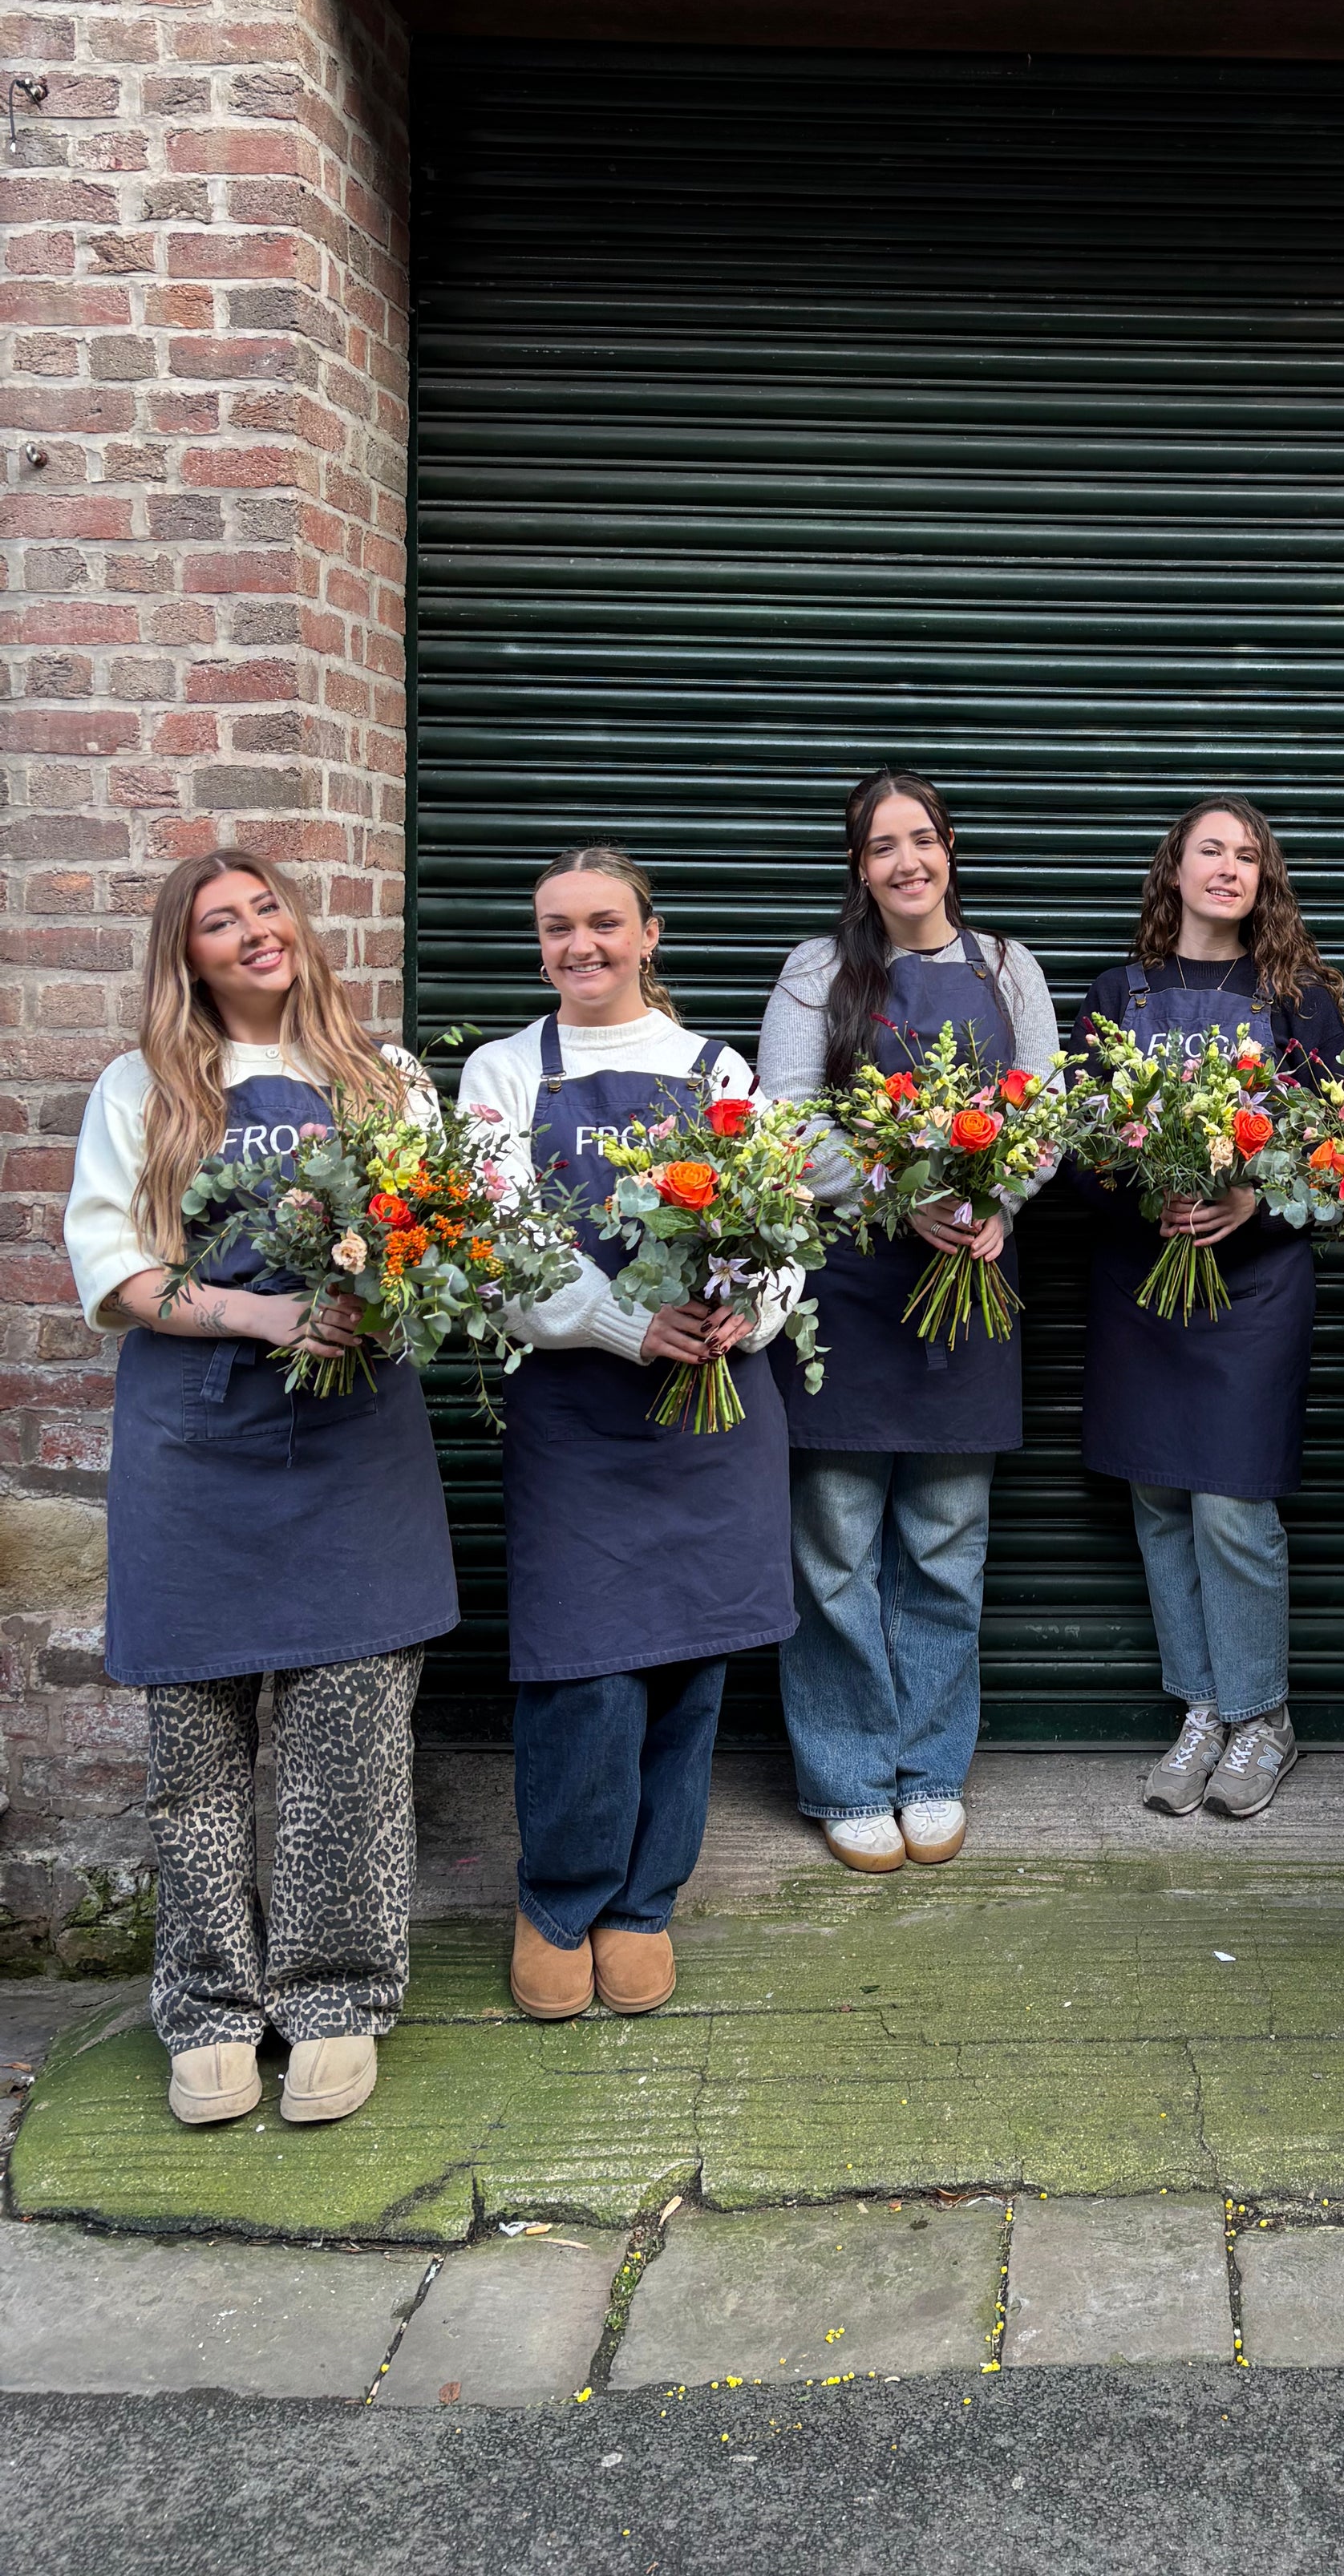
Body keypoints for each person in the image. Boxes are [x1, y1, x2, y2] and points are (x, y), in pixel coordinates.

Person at [63, 850, 459, 2129]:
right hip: (195, 1449)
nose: (251, 933)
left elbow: (448, 1230)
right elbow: (115, 1272)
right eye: (218, 923)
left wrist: (390, 1290)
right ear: (187, 957)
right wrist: (260, 1312)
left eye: (263, 908)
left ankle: (337, 1998)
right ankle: (211, 2009)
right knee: (197, 1750)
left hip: (356, 1445)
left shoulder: (385, 1078)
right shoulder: (145, 1088)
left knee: (350, 1742)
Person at [460, 847, 799, 2024]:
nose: (580, 948)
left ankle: (645, 1903)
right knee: (582, 1673)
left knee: (691, 1666)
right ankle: (558, 1901)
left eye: (604, 924)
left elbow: (777, 1232)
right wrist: (620, 1322)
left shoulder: (717, 1067)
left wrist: (744, 1311)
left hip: (711, 1411)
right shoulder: (505, 1073)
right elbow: (497, 1251)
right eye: (558, 928)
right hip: (578, 1413)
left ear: (651, 934)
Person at [756, 769, 1061, 1872]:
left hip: (969, 1286)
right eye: (882, 846)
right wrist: (905, 1193)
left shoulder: (1005, 967)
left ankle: (930, 1770)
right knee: (833, 1548)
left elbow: (1048, 1110)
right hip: (849, 1296)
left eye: (921, 840)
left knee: (945, 1547)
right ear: (859, 867)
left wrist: (994, 1200)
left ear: (949, 851)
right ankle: (845, 1776)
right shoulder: (814, 972)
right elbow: (786, 1130)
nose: (906, 863)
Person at [1071, 798, 1344, 1822]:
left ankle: (1263, 1718)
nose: (1229, 869)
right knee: (1157, 1501)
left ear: (1263, 877)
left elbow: (1335, 1153)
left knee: (1234, 1507)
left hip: (1257, 1287)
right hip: (1145, 1281)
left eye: (1248, 855)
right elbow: (1075, 1151)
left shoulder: (1298, 997)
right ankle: (1199, 1710)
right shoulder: (1119, 990)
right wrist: (1143, 1185)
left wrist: (1252, 1197)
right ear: (1175, 871)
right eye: (1210, 851)